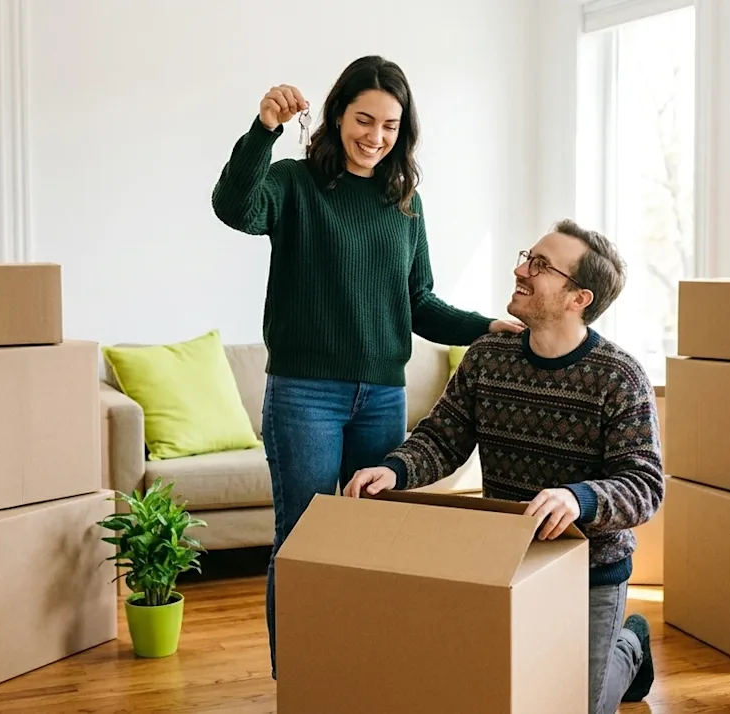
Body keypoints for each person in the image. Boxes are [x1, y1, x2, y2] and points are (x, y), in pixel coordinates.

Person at [210, 55, 522, 678]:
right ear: (336, 114)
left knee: (373, 542)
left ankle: (361, 668)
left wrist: (486, 325)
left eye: (390, 125)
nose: (375, 136)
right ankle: (300, 678)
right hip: (305, 396)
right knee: (302, 540)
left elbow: (420, 303)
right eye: (363, 119)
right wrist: (263, 129)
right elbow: (233, 207)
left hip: (381, 396)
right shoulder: (295, 183)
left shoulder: (404, 200)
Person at [345, 218, 664, 713]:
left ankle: (630, 644)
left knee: (577, 705)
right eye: (526, 256)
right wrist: (396, 470)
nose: (520, 269)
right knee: (499, 688)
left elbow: (644, 485)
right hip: (506, 558)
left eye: (540, 265)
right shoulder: (488, 357)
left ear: (579, 297)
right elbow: (443, 437)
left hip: (591, 570)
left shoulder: (619, 377)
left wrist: (577, 498)